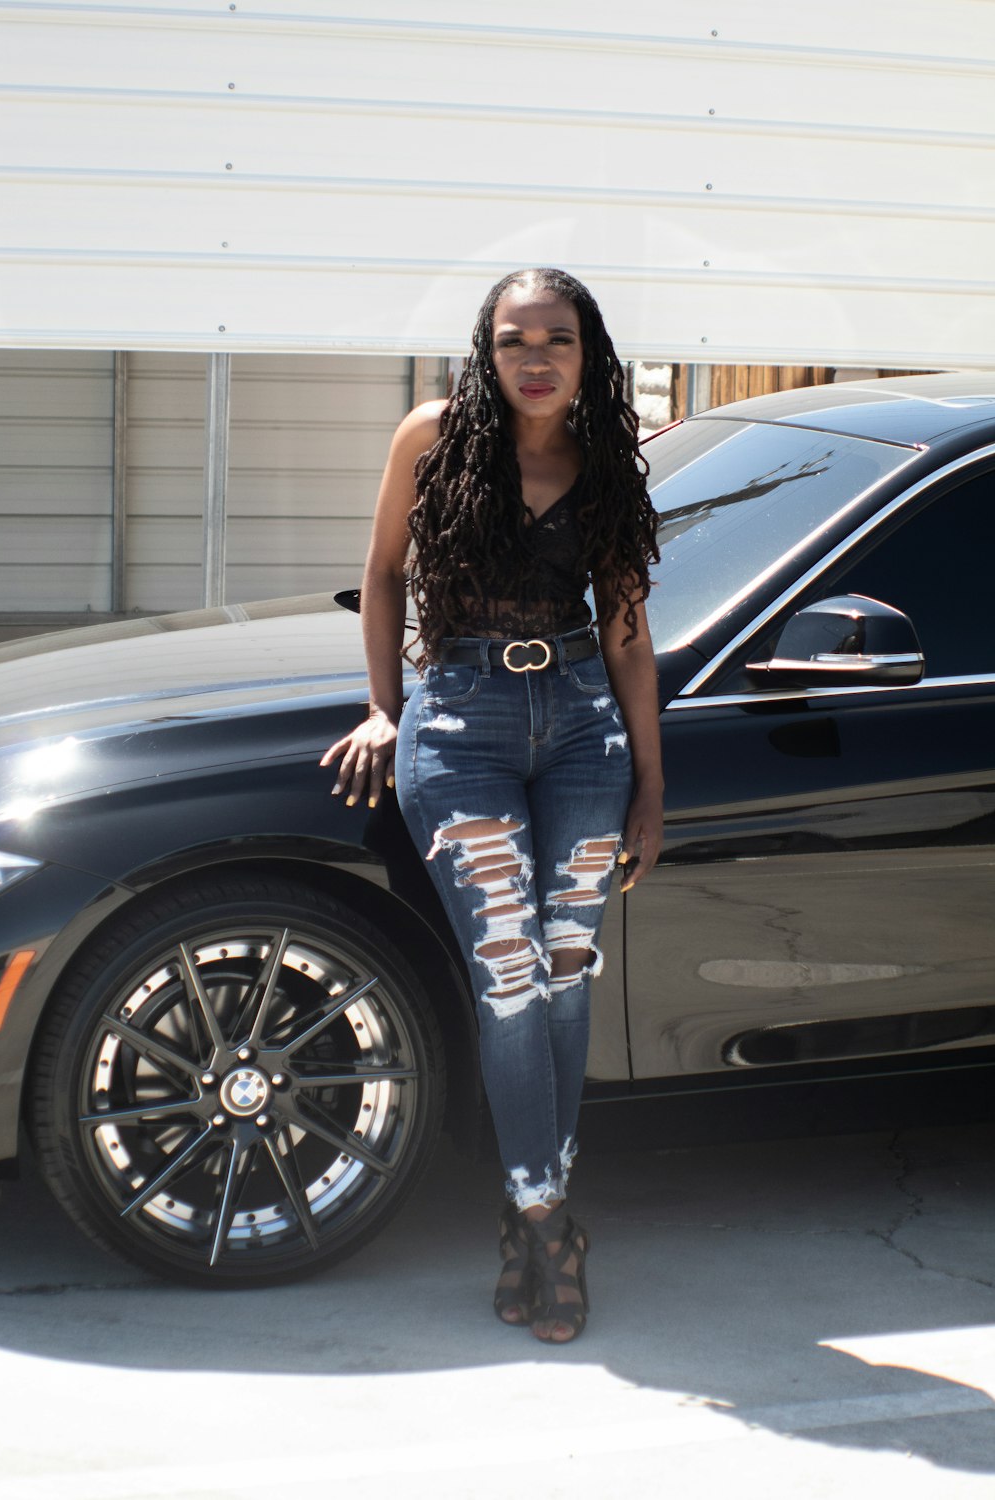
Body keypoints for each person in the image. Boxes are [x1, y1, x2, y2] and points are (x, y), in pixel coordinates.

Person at [321, 267, 663, 1343]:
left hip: (578, 729)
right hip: (461, 720)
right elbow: (380, 575)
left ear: (585, 352)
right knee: (508, 976)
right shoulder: (432, 437)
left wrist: (652, 785)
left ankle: (531, 1219)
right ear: (488, 348)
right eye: (514, 340)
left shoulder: (606, 460)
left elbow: (625, 634)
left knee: (565, 978)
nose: (535, 358)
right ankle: (547, 1219)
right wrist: (386, 707)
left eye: (555, 340)